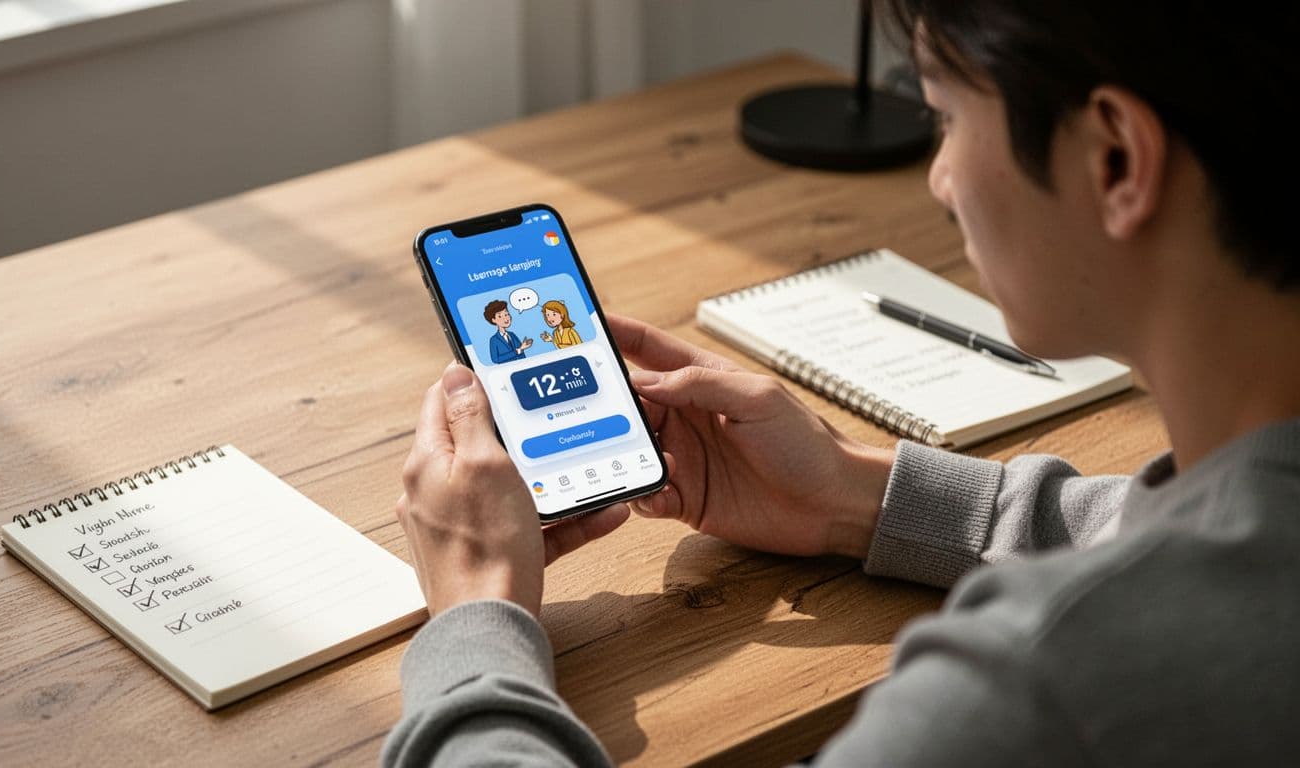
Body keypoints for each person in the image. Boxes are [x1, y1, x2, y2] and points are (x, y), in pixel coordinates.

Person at [383, 1, 1300, 764]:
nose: (939, 179)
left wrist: (476, 626)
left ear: (1115, 160)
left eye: (943, 115)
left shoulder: (1036, 690)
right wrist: (856, 497)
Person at [485, 298, 532, 363]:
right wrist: (518, 351)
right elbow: (495, 359)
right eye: (500, 316)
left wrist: (523, 347)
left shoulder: (512, 334)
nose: (505, 318)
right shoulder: (494, 339)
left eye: (506, 314)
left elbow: (521, 352)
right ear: (493, 320)